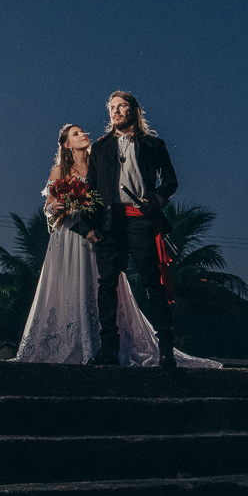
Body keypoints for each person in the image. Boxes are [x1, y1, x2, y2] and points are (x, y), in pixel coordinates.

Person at [14, 123, 160, 366]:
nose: (83, 135)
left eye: (82, 132)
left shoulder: (100, 165)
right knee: (70, 285)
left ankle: (106, 343)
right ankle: (74, 340)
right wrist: (55, 207)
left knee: (102, 284)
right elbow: (48, 207)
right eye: (75, 133)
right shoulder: (59, 171)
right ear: (66, 144)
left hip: (99, 233)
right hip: (69, 236)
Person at [85, 91, 180, 367]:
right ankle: (108, 350)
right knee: (106, 284)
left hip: (140, 219)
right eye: (111, 107)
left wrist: (155, 200)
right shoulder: (100, 147)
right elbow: (90, 189)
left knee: (152, 281)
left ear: (134, 110)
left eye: (121, 106)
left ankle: (166, 350)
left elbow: (171, 182)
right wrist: (90, 225)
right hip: (109, 223)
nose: (115, 111)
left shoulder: (153, 144)